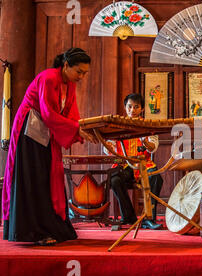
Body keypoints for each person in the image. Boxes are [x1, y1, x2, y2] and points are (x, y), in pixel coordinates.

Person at [2, 48, 97, 245]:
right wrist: (76, 129)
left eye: (84, 73)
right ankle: (34, 231)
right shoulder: (49, 78)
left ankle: (50, 227)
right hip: (30, 131)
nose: (81, 76)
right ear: (65, 66)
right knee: (35, 178)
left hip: (46, 132)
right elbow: (47, 113)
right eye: (79, 71)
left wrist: (82, 129)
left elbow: (71, 115)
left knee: (48, 177)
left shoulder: (69, 84)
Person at [104, 93, 163, 230]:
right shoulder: (117, 126)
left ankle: (149, 218)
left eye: (136, 107)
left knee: (156, 178)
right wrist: (108, 146)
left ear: (141, 109)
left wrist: (145, 140)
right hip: (124, 165)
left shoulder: (148, 126)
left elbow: (153, 147)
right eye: (129, 107)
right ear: (125, 107)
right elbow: (109, 147)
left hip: (144, 164)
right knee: (114, 180)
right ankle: (129, 217)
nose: (132, 110)